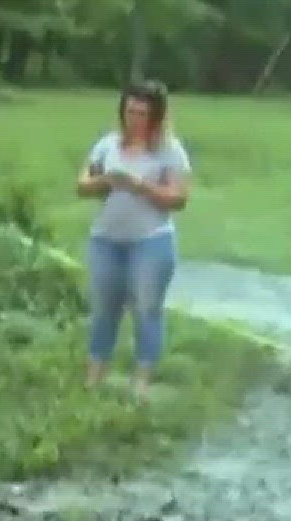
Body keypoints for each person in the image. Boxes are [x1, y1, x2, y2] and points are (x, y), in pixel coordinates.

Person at [74, 81, 192, 399]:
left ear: (156, 116)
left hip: (151, 240)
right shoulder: (107, 145)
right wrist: (105, 181)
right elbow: (82, 184)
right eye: (130, 111)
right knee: (104, 309)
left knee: (146, 309)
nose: (135, 119)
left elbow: (179, 198)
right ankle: (95, 376)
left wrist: (142, 187)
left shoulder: (169, 151)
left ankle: (141, 381)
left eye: (143, 113)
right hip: (106, 239)